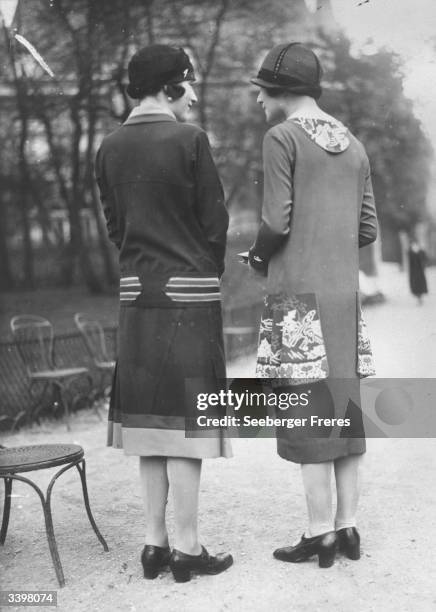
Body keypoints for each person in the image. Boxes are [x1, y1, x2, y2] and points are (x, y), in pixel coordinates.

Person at [95, 44, 233, 583]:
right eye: (188, 83)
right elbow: (214, 222)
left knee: (149, 424)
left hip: (136, 298)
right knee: (188, 425)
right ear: (169, 88)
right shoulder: (190, 140)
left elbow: (114, 226)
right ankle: (188, 548)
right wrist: (203, 268)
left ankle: (154, 545)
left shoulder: (107, 147)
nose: (194, 93)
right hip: (190, 298)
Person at [249, 42, 378, 568]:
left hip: (296, 298)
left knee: (305, 415)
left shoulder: (281, 139)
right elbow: (366, 228)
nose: (258, 99)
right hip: (343, 299)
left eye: (261, 90)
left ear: (279, 90)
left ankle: (318, 532)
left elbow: (277, 222)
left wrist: (258, 256)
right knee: (345, 414)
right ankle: (349, 529)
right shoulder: (356, 145)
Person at [408, 240, 428, 305]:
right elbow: (410, 263)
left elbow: (424, 260)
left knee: (420, 285)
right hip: (414, 272)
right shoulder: (410, 253)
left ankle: (420, 298)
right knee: (415, 285)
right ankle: (419, 298)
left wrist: (423, 266)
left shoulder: (421, 252)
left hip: (420, 271)